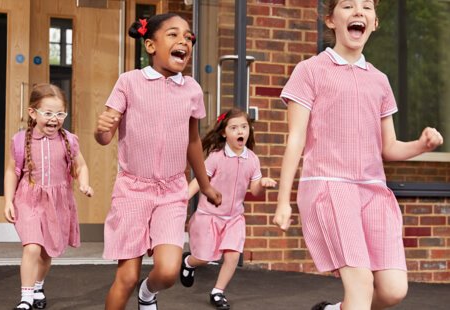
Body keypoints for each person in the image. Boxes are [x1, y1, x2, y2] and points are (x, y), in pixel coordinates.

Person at [272, 1, 444, 309]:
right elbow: (295, 139)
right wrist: (284, 200)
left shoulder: (379, 80)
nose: (358, 11)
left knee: (392, 290)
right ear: (330, 20)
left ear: (375, 22)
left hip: (374, 191)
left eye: (366, 6)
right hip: (329, 187)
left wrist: (421, 145)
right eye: (348, 5)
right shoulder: (310, 71)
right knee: (361, 286)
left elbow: (388, 148)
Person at [94, 13, 222, 310]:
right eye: (173, 35)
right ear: (150, 45)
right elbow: (105, 136)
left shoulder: (191, 88)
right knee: (126, 277)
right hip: (133, 191)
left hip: (172, 191)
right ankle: (134, 291)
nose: (184, 42)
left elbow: (193, 142)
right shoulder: (129, 82)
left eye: (188, 37)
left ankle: (147, 294)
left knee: (167, 272)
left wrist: (205, 186)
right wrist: (101, 130)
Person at [4, 83, 93, 310]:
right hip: (28, 200)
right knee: (32, 247)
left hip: (57, 202)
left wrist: (84, 184)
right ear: (33, 113)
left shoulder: (69, 141)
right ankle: (25, 298)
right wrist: (7, 201)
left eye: (60, 113)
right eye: (48, 113)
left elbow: (81, 166)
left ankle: (38, 285)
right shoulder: (20, 140)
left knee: (46, 253)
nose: (54, 119)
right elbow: (12, 171)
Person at [179, 108, 277, 310]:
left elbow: (255, 190)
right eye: (233, 128)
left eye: (243, 127)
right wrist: (182, 200)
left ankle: (217, 292)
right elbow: (200, 181)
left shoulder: (252, 160)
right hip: (209, 216)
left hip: (234, 218)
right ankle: (189, 262)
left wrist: (263, 183)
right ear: (224, 133)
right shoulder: (216, 157)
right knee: (204, 258)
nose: (240, 131)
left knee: (232, 255)